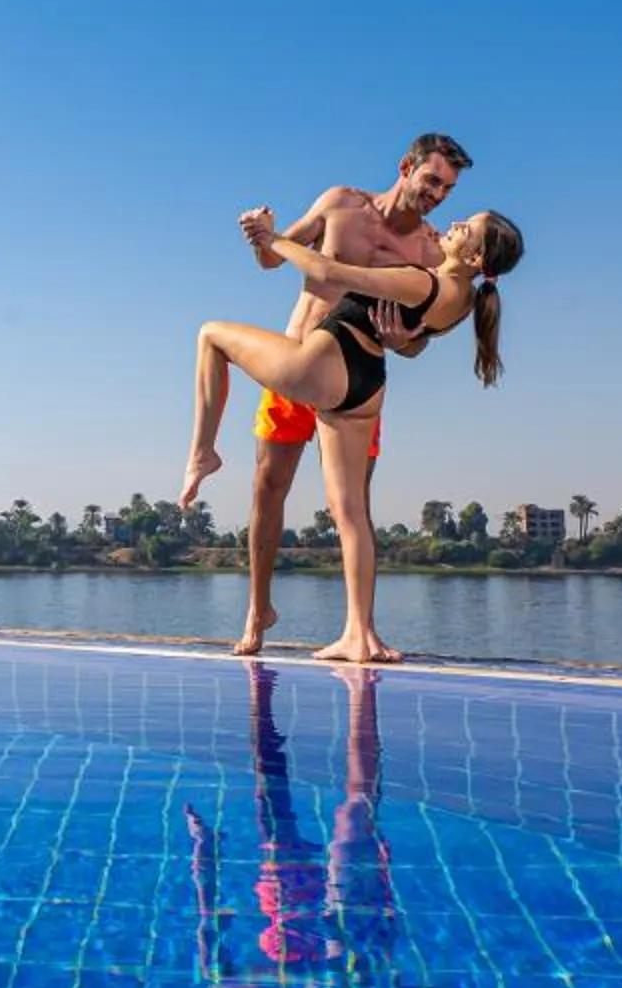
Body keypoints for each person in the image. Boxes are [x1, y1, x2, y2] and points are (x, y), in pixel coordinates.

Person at [181, 207, 524, 663]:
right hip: (366, 387)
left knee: (210, 335)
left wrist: (273, 237)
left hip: (325, 363)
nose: (455, 223)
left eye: (467, 229)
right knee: (351, 513)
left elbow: (325, 270)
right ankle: (359, 634)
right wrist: (403, 339)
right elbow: (415, 338)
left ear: (477, 257)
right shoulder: (463, 299)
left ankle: (202, 453)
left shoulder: (426, 282)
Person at [222, 135, 472, 656]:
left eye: (447, 189)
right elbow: (273, 258)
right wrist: (258, 235)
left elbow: (417, 346)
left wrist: (407, 341)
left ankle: (359, 628)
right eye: (431, 180)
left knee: (352, 508)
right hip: (297, 364)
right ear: (406, 167)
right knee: (268, 488)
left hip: (356, 379)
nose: (437, 195)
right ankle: (257, 610)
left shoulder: (430, 251)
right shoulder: (340, 203)